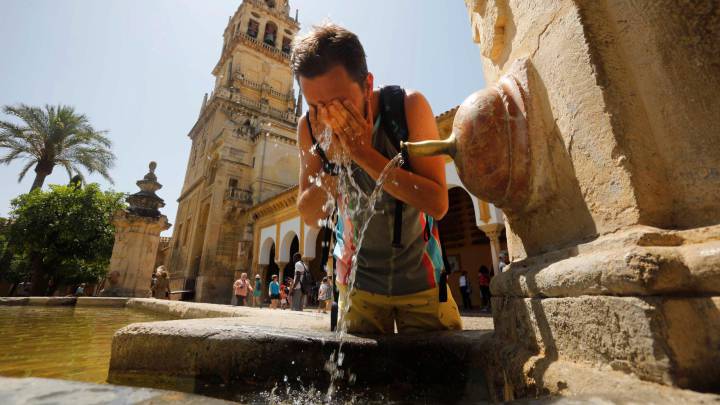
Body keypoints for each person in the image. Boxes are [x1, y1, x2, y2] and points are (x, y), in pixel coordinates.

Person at [293, 24, 462, 334]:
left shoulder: (408, 107)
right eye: (317, 106)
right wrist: (334, 161)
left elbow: (437, 204)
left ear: (367, 83)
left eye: (340, 103)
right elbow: (309, 214)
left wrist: (363, 154)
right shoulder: (310, 129)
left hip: (423, 284)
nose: (330, 117)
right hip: (357, 287)